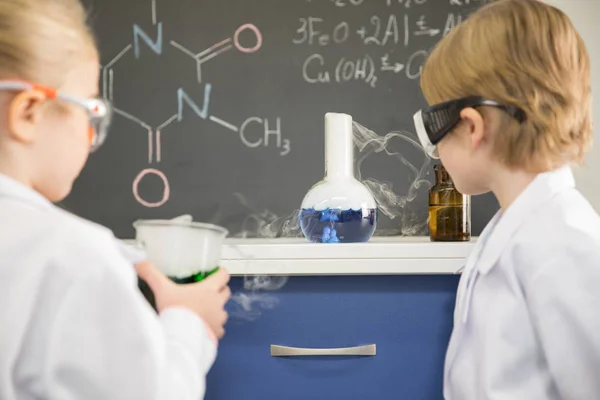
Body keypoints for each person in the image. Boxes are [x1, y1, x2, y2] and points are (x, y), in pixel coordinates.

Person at [0, 0, 230, 399]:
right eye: (89, 110)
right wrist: (189, 320)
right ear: (29, 113)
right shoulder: (73, 258)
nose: (92, 136)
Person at [413, 0, 600, 398]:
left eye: (433, 130)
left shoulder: (563, 247)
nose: (434, 149)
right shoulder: (516, 229)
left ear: (470, 126)